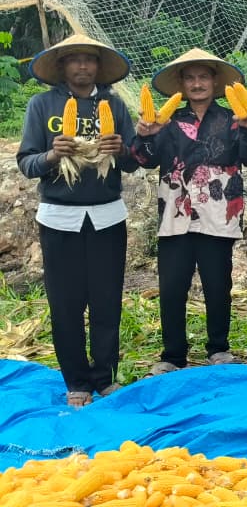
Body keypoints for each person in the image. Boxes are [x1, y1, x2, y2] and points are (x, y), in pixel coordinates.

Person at [17, 34, 138, 406]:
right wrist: (53, 157)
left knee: (106, 301)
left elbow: (135, 161)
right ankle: (77, 382)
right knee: (66, 303)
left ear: (99, 68)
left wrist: (122, 151)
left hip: (107, 217)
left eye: (89, 60)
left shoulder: (114, 106)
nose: (83, 66)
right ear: (63, 67)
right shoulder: (42, 106)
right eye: (75, 60)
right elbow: (27, 163)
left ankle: (105, 377)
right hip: (59, 219)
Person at [131, 49, 247, 375]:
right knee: (173, 286)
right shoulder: (167, 122)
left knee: (217, 284)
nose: (197, 84)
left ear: (215, 81)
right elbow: (143, 160)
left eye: (203, 77)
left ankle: (218, 348)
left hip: (219, 213)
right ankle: (173, 355)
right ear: (181, 83)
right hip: (174, 214)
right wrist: (144, 136)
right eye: (190, 78)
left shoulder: (232, 119)